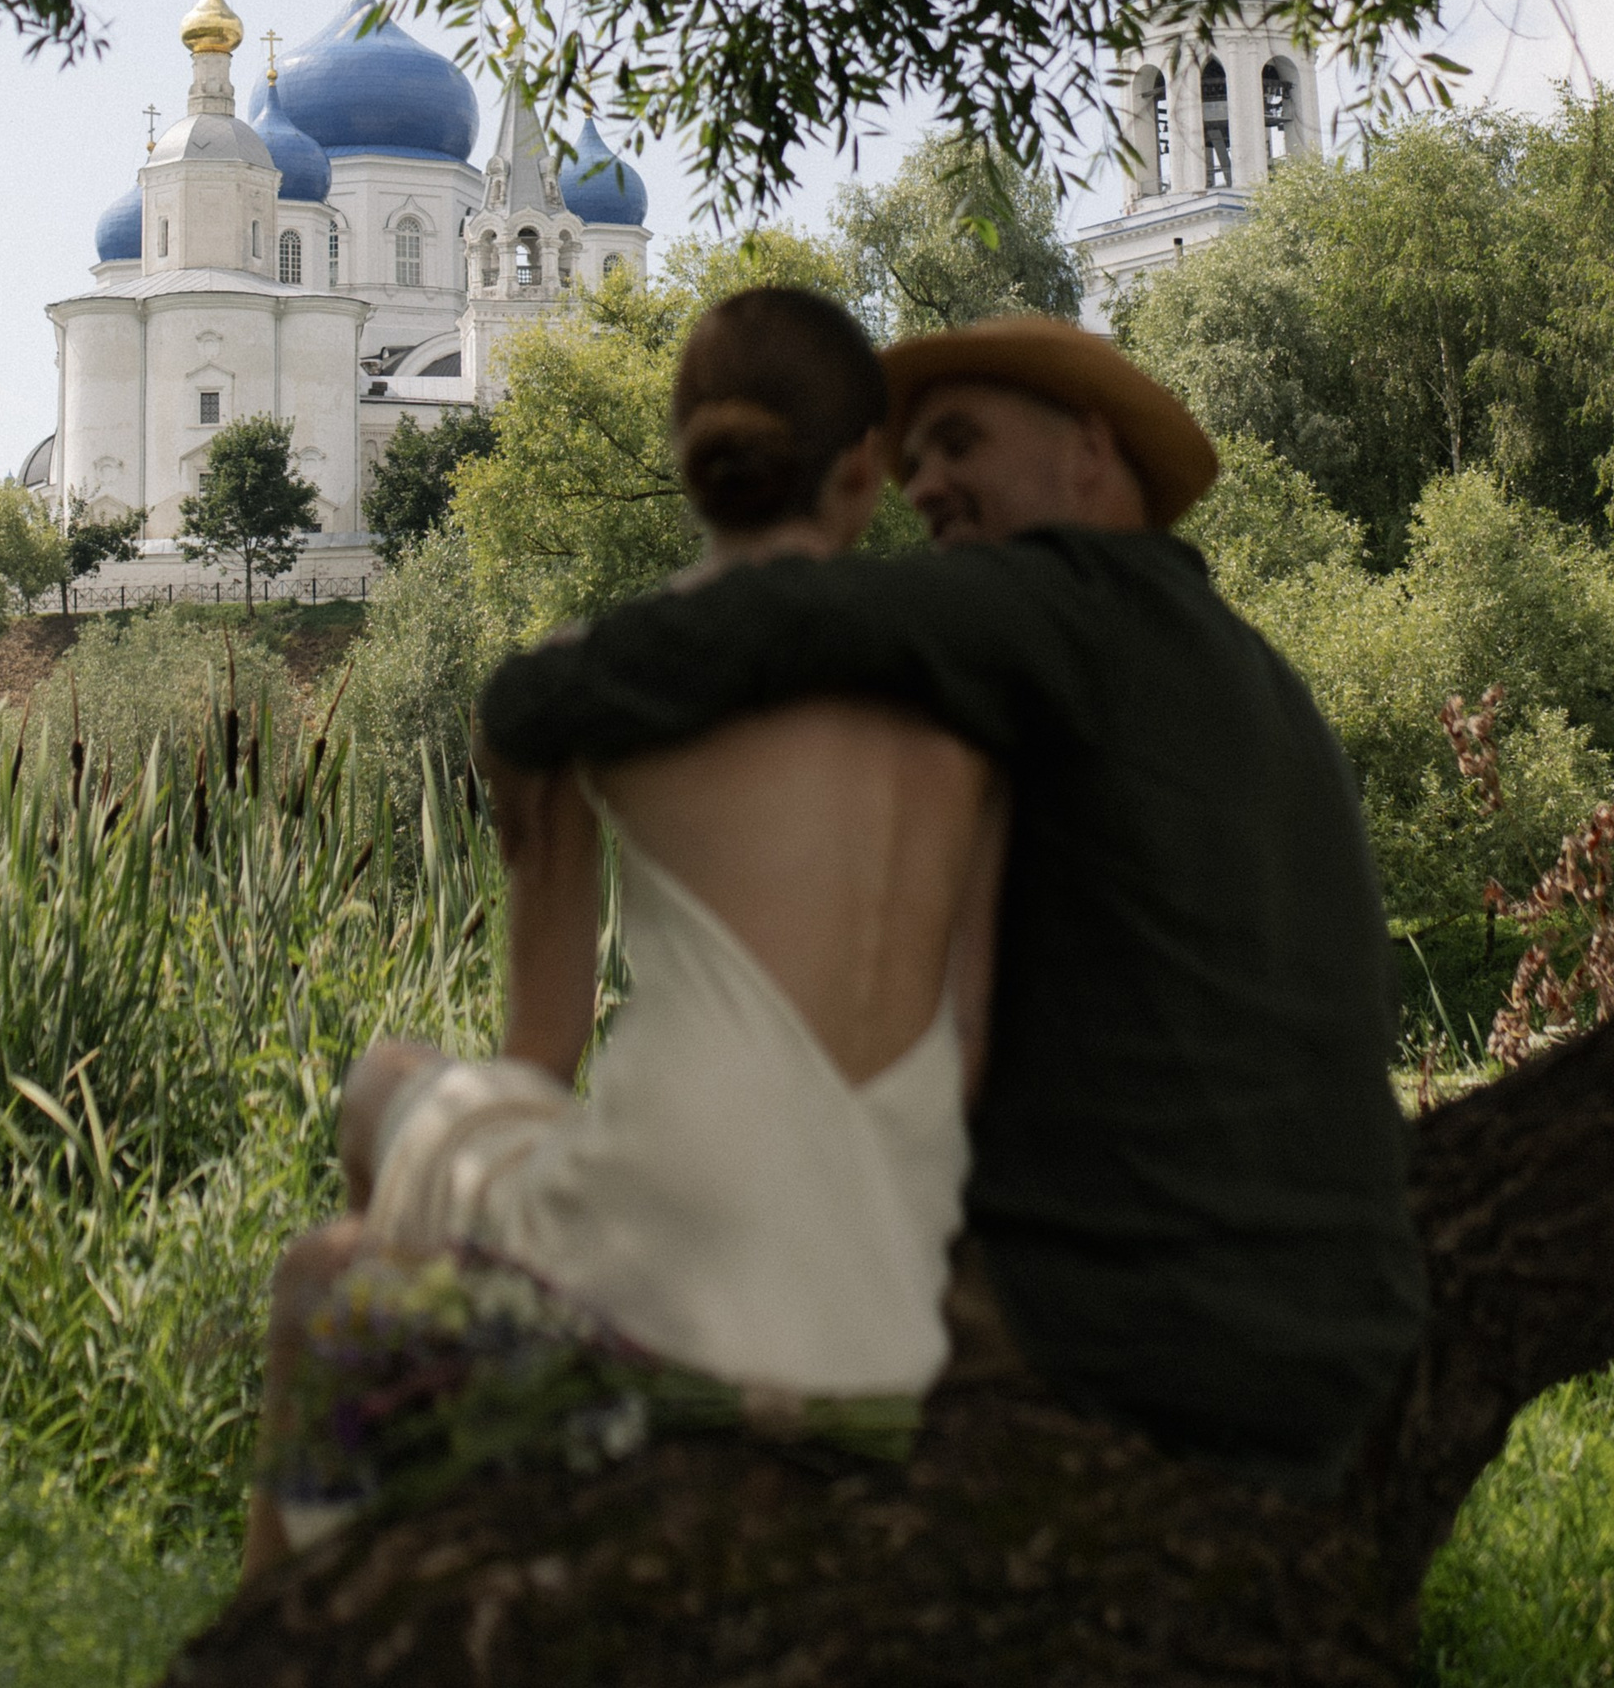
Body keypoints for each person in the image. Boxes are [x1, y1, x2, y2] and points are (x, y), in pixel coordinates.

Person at [482, 314, 1428, 1498]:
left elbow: (784, 618)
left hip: (1119, 1323)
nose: (921, 484)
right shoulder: (1251, 672)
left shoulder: (1059, 600)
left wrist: (535, 692)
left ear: (1089, 452)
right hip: (1336, 1332)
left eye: (959, 442)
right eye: (909, 457)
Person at [243, 287, 1005, 1577]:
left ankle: (325, 1586)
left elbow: (538, 1053)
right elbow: (975, 1037)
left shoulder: (576, 687)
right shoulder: (982, 684)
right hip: (880, 1293)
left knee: (370, 1123)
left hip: (666, 1271)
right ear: (863, 468)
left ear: (690, 458)